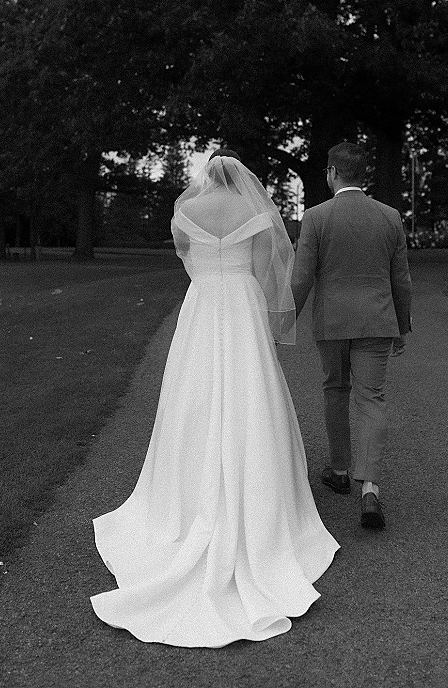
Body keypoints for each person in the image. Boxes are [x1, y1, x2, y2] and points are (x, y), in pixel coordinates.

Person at [90, 150, 339, 647]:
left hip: (203, 306)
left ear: (206, 176)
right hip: (242, 307)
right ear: (241, 178)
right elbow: (272, 271)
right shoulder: (259, 213)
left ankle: (186, 494)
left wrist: (209, 272)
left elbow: (185, 254)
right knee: (252, 397)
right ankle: (260, 500)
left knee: (192, 397)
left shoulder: (187, 210)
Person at [292, 141, 412, 530]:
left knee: (335, 389)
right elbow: (402, 280)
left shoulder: (315, 217)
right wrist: (402, 324)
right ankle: (370, 489)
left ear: (331, 173)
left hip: (331, 323)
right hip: (377, 321)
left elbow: (303, 277)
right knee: (371, 398)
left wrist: (285, 320)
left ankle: (340, 470)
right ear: (363, 175)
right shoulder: (390, 217)